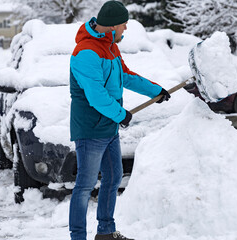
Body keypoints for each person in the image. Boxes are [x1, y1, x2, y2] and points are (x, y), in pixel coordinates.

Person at [69, 1, 171, 240]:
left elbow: (125, 76)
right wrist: (121, 114)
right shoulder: (86, 52)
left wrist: (155, 91)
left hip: (108, 128)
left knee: (113, 177)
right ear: (112, 25)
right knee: (85, 185)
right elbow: (96, 95)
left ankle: (105, 231)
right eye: (124, 25)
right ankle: (78, 236)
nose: (125, 29)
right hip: (91, 129)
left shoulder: (110, 46)